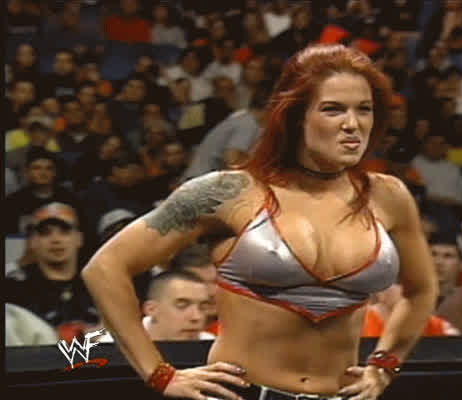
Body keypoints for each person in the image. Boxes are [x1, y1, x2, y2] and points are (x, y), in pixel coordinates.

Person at [82, 44, 437, 400]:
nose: (352, 124)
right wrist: (160, 374)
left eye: (364, 109)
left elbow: (421, 290)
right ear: (295, 117)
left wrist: (385, 365)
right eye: (333, 109)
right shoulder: (228, 192)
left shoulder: (387, 195)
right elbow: (105, 268)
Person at [6, 202, 99, 330]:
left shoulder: (98, 287)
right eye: (46, 233)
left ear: (79, 238)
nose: (56, 240)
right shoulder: (13, 291)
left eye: (64, 231)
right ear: (32, 241)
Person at [98, 270, 214, 343]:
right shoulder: (113, 346)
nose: (196, 317)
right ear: (151, 309)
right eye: (182, 305)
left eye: (203, 307)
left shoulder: (210, 344)